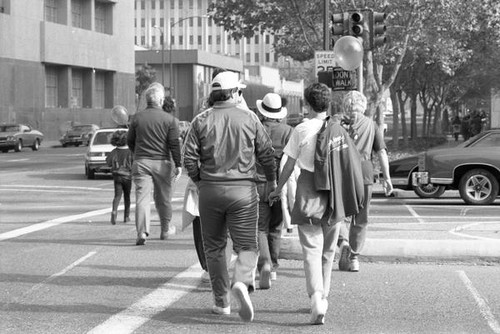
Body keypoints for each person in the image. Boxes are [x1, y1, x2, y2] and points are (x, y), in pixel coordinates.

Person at [183, 71, 277, 322]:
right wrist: (271, 179)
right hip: (243, 191)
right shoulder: (250, 118)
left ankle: (221, 302)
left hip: (210, 191)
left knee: (214, 248)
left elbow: (189, 158)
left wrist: (201, 180)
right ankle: (242, 280)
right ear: (234, 92)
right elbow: (266, 153)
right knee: (247, 244)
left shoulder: (199, 120)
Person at [268, 82, 363, 325]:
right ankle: (325, 295)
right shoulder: (338, 130)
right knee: (328, 251)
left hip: (309, 190)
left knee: (311, 249)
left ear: (307, 104)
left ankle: (316, 297)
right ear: (328, 104)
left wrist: (278, 190)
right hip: (335, 193)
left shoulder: (300, 129)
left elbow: (288, 165)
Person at [337, 90, 393, 272]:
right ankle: (353, 257)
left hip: (342, 171)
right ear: (363, 106)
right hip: (365, 173)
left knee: (338, 214)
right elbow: (382, 152)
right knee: (361, 217)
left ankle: (343, 240)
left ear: (346, 105)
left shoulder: (337, 123)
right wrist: (387, 178)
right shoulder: (371, 125)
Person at [127, 83, 182, 245]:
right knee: (163, 197)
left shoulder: (137, 118)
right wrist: (178, 164)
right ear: (161, 100)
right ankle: (165, 229)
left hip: (141, 162)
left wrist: (137, 153)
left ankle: (142, 232)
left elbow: (130, 140)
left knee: (142, 197)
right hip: (162, 163)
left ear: (146, 100)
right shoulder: (170, 120)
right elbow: (174, 144)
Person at [254, 93, 293, 288]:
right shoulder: (288, 131)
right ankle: (274, 266)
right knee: (276, 227)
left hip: (258, 183)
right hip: (280, 185)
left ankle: (265, 264)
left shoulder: (256, 128)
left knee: (260, 227)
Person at [106, 130, 133, 225]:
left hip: (117, 176)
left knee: (117, 196)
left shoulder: (114, 152)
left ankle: (114, 212)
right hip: (128, 176)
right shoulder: (130, 152)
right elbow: (134, 164)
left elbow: (108, 162)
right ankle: (126, 216)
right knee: (127, 196)